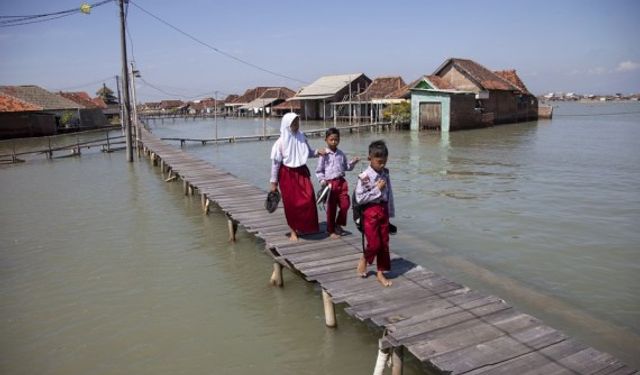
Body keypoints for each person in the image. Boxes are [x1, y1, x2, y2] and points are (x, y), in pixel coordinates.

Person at [270, 113, 324, 241]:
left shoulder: (302, 137)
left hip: (302, 172)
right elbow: (275, 163)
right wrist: (273, 183)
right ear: (287, 125)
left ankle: (304, 225)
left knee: (309, 197)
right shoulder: (280, 143)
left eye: (297, 122)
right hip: (287, 174)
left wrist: (318, 152)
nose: (296, 125)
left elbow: (307, 152)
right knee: (291, 204)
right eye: (294, 123)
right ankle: (293, 230)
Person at [355, 140, 395, 287]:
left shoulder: (385, 173)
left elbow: (389, 193)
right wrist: (376, 190)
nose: (382, 165)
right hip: (370, 212)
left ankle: (380, 272)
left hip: (383, 210)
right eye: (379, 162)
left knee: (384, 243)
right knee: (374, 244)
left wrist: (390, 212)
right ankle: (365, 258)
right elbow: (360, 198)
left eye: (384, 161)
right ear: (370, 159)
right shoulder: (364, 176)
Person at [315, 127, 359, 238]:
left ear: (339, 140)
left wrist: (353, 163)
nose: (334, 142)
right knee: (331, 208)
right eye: (331, 139)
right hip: (330, 185)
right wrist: (322, 180)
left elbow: (346, 167)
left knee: (345, 205)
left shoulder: (341, 154)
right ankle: (331, 230)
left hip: (342, 182)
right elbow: (319, 171)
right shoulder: (323, 154)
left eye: (336, 139)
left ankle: (338, 224)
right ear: (326, 140)